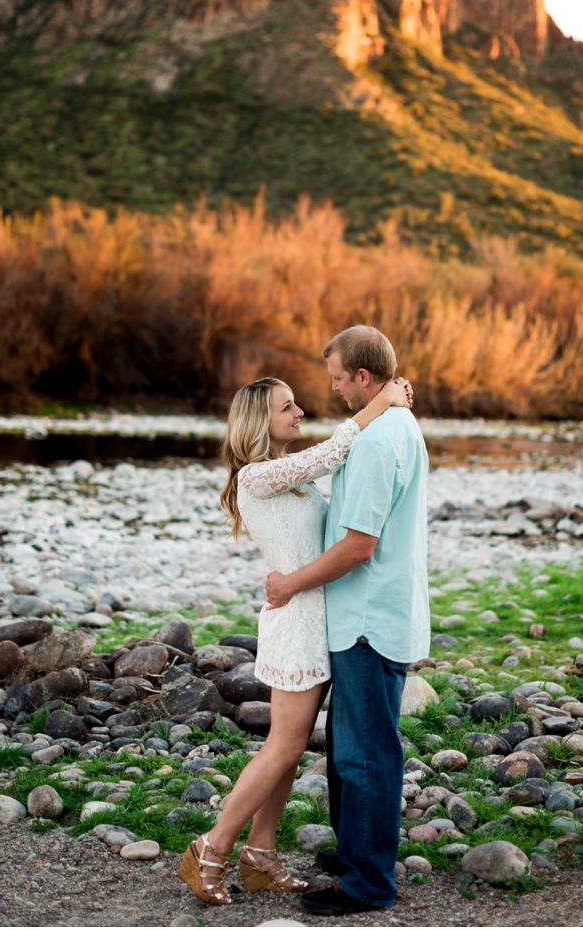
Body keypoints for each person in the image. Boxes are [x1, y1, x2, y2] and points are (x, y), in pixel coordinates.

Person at [178, 372, 412, 907]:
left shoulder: (287, 477)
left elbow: (332, 475)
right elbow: (333, 451)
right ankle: (210, 849)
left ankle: (260, 854)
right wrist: (381, 401)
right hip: (296, 624)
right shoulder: (257, 477)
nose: (300, 412)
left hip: (313, 619)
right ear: (260, 420)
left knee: (287, 748)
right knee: (283, 747)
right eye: (288, 407)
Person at [265, 325, 430, 916]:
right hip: (374, 613)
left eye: (337, 378)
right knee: (349, 747)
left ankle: (366, 883)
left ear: (363, 376)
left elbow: (358, 546)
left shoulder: (381, 439)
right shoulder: (392, 424)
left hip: (365, 619)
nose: (331, 389)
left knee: (365, 755)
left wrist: (290, 583)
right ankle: (356, 851)